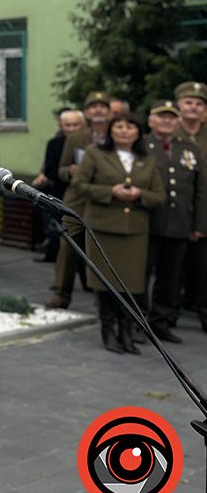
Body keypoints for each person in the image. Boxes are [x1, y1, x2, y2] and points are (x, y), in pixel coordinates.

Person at [72, 113, 164, 354]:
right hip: (104, 229)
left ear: (138, 133)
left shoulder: (147, 159)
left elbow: (159, 196)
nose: (124, 131)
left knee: (131, 285)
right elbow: (80, 185)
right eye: (119, 126)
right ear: (111, 131)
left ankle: (126, 331)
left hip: (134, 231)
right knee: (105, 283)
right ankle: (107, 331)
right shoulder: (96, 153)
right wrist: (109, 191)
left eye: (130, 127)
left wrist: (139, 195)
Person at [144, 101, 205, 344]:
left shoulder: (190, 149)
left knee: (170, 278)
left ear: (177, 121)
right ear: (151, 120)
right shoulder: (141, 145)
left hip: (179, 223)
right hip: (147, 222)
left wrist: (198, 224)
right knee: (141, 275)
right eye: (161, 117)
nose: (167, 121)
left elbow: (200, 190)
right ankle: (136, 320)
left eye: (171, 118)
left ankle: (161, 322)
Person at [49, 91, 112, 308]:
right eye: (93, 107)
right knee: (68, 245)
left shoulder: (117, 136)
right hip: (77, 198)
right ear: (86, 113)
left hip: (105, 199)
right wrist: (72, 171)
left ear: (110, 112)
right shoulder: (76, 138)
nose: (98, 110)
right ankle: (61, 293)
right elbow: (61, 170)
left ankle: (104, 296)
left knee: (104, 248)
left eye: (103, 106)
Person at [175, 81, 207, 330]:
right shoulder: (170, 132)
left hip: (204, 209)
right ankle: (170, 313)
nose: (194, 108)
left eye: (199, 104)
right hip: (177, 209)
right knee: (174, 266)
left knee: (202, 267)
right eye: (189, 103)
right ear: (179, 106)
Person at [33, 109, 85, 262]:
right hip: (61, 192)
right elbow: (50, 170)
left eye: (75, 125)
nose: (71, 129)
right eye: (67, 125)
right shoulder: (55, 143)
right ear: (61, 125)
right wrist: (67, 172)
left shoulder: (91, 143)